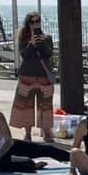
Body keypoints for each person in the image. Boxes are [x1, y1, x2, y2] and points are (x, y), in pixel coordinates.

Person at [10, 12, 55, 142]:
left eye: (38, 21)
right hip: (27, 77)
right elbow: (24, 55)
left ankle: (47, 132)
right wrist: (31, 44)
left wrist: (41, 43)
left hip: (44, 78)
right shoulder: (23, 38)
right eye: (32, 22)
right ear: (28, 23)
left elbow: (49, 54)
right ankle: (28, 134)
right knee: (26, 107)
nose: (35, 24)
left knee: (45, 106)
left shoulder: (47, 38)